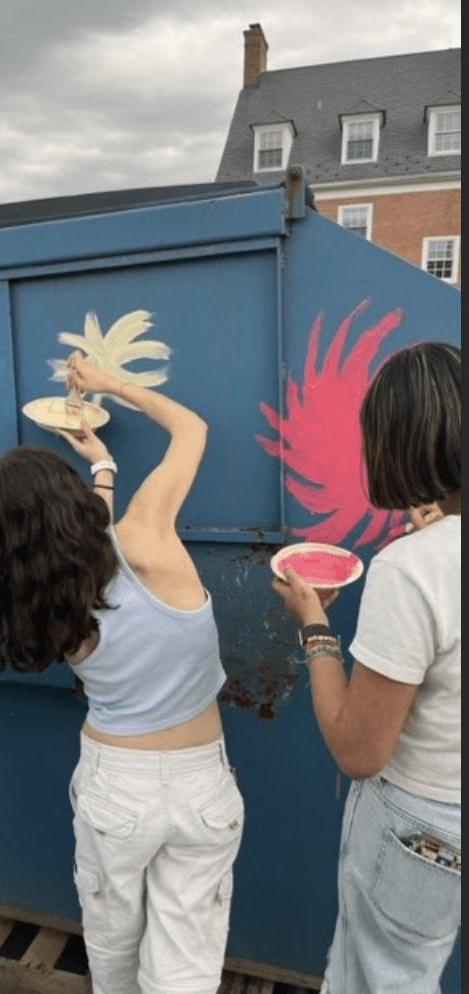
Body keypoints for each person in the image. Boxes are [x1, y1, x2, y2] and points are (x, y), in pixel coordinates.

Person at [0, 353, 244, 994]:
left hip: (112, 784)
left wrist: (104, 466)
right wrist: (110, 385)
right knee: (184, 965)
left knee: (112, 949)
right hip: (199, 776)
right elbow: (192, 430)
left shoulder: (44, 597)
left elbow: (83, 550)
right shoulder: (149, 536)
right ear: (74, 501)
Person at [272, 343, 461, 994]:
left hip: (421, 827)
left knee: (385, 981)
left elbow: (359, 750)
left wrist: (315, 625)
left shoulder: (410, 570)